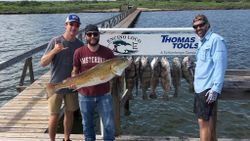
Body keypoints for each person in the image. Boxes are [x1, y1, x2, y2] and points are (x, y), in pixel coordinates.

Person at [40, 14, 84, 141]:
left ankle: (66, 139)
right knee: (53, 115)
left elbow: (81, 67)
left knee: (69, 113)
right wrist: (54, 51)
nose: (73, 27)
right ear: (66, 25)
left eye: (76, 25)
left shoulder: (80, 45)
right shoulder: (55, 41)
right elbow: (43, 63)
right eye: (71, 24)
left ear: (79, 27)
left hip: (72, 85)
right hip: (55, 85)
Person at [72, 24, 115, 141]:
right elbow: (75, 70)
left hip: (104, 95)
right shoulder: (79, 52)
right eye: (89, 34)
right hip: (84, 95)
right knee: (87, 125)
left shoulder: (108, 52)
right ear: (85, 36)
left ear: (99, 35)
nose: (92, 36)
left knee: (108, 125)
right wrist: (73, 80)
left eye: (95, 34)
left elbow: (112, 72)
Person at [192, 14, 227, 141]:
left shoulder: (216, 40)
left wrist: (215, 89)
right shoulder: (202, 42)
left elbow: (220, 66)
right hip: (199, 88)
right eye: (195, 26)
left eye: (201, 25)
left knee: (203, 124)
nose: (198, 28)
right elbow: (206, 64)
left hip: (207, 89)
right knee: (209, 124)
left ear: (207, 24)